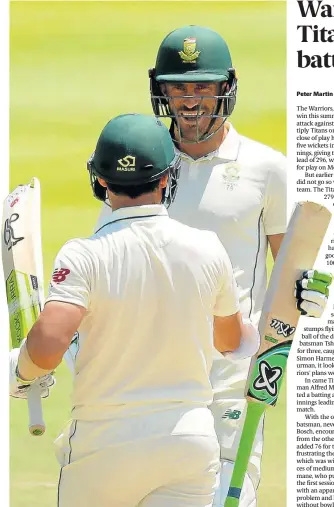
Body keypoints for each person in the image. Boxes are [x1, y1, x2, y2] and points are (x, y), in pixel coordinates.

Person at [95, 26, 332, 506]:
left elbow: (293, 264)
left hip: (230, 386)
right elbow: (108, 259)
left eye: (202, 86)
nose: (190, 100)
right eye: (178, 87)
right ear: (160, 89)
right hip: (148, 383)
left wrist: (312, 294)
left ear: (227, 86)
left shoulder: (267, 170)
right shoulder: (140, 164)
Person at [10, 113, 261, 507]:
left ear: (101, 180)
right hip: (187, 440)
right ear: (165, 177)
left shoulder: (84, 254)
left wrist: (21, 371)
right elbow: (230, 341)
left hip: (104, 442)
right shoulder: (208, 248)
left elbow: (46, 347)